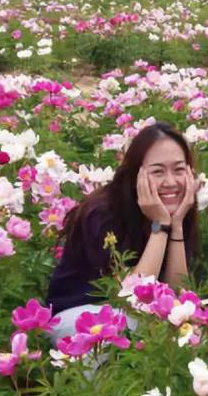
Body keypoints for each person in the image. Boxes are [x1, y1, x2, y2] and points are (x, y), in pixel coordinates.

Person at [46, 122, 198, 342]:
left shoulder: (180, 209)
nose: (170, 181)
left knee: (188, 327)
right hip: (79, 316)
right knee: (136, 326)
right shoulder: (103, 213)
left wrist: (176, 225)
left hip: (131, 317)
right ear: (136, 174)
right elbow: (132, 299)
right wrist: (160, 226)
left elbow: (177, 293)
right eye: (157, 171)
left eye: (179, 169)